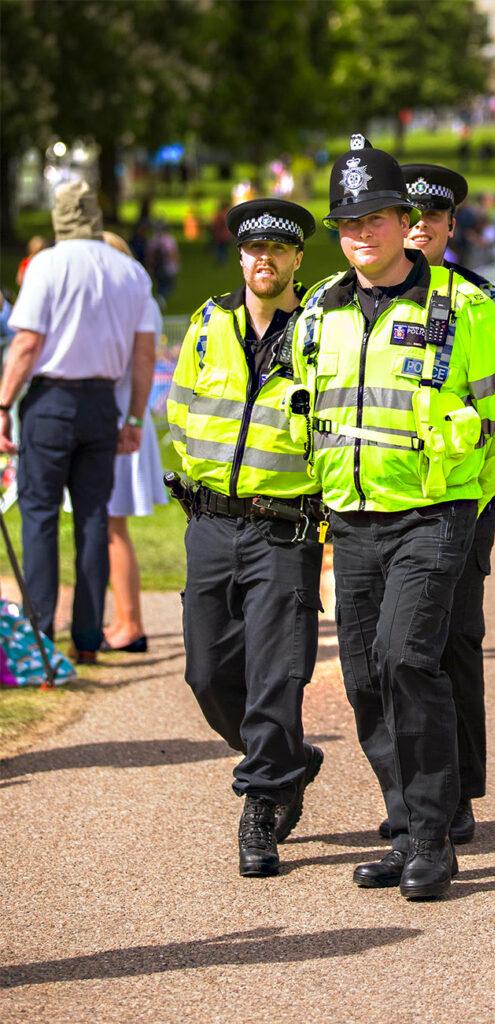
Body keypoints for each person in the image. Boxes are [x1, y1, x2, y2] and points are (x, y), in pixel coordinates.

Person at [290, 135, 495, 900]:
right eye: (348, 224)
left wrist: (464, 489)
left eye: (376, 219)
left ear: (404, 222)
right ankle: (401, 827)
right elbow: (306, 410)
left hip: (434, 516)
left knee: (406, 658)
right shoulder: (320, 310)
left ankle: (432, 836)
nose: (362, 234)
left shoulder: (470, 307)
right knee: (363, 675)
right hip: (352, 517)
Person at [366, 162, 495, 847]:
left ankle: (457, 787)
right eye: (405, 218)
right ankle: (409, 790)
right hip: (379, 505)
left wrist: (471, 486)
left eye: (429, 220)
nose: (417, 230)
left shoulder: (481, 302)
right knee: (385, 647)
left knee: (452, 639)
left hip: (459, 506)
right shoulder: (359, 299)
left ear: (448, 226)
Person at [166, 198, 324, 879]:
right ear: (240, 257)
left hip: (283, 529)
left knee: (275, 672)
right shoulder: (208, 323)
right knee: (206, 672)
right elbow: (181, 410)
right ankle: (287, 758)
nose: (265, 259)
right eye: (253, 248)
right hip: (209, 522)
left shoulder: (322, 333)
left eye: (278, 250)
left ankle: (262, 803)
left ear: (296, 260)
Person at [0, 180, 155, 663]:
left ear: (57, 217)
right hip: (102, 404)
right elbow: (144, 354)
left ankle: (42, 635)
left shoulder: (46, 264)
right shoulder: (129, 270)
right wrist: (132, 417)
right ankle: (86, 639)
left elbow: (26, 344)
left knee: (40, 519)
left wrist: (2, 405)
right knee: (92, 520)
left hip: (52, 400)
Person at [100, 231, 167, 654]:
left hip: (121, 415)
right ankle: (122, 618)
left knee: (111, 526)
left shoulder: (127, 301)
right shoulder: (140, 299)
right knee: (108, 525)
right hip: (126, 414)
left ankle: (129, 622)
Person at [147, 221, 180, 305]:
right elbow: (173, 253)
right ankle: (161, 298)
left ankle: (159, 297)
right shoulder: (169, 240)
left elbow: (150, 254)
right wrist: (176, 263)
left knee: (160, 283)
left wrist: (150, 265)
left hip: (157, 266)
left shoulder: (153, 240)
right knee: (168, 284)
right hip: (168, 266)